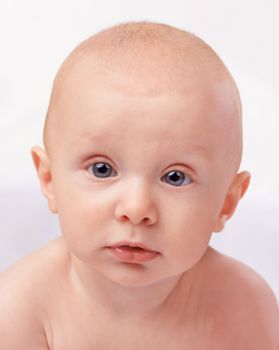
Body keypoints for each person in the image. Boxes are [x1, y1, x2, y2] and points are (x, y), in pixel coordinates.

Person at [0, 21, 278, 349]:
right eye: (102, 169)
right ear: (49, 181)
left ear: (226, 204)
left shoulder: (240, 304)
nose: (136, 209)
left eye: (175, 177)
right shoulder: (22, 307)